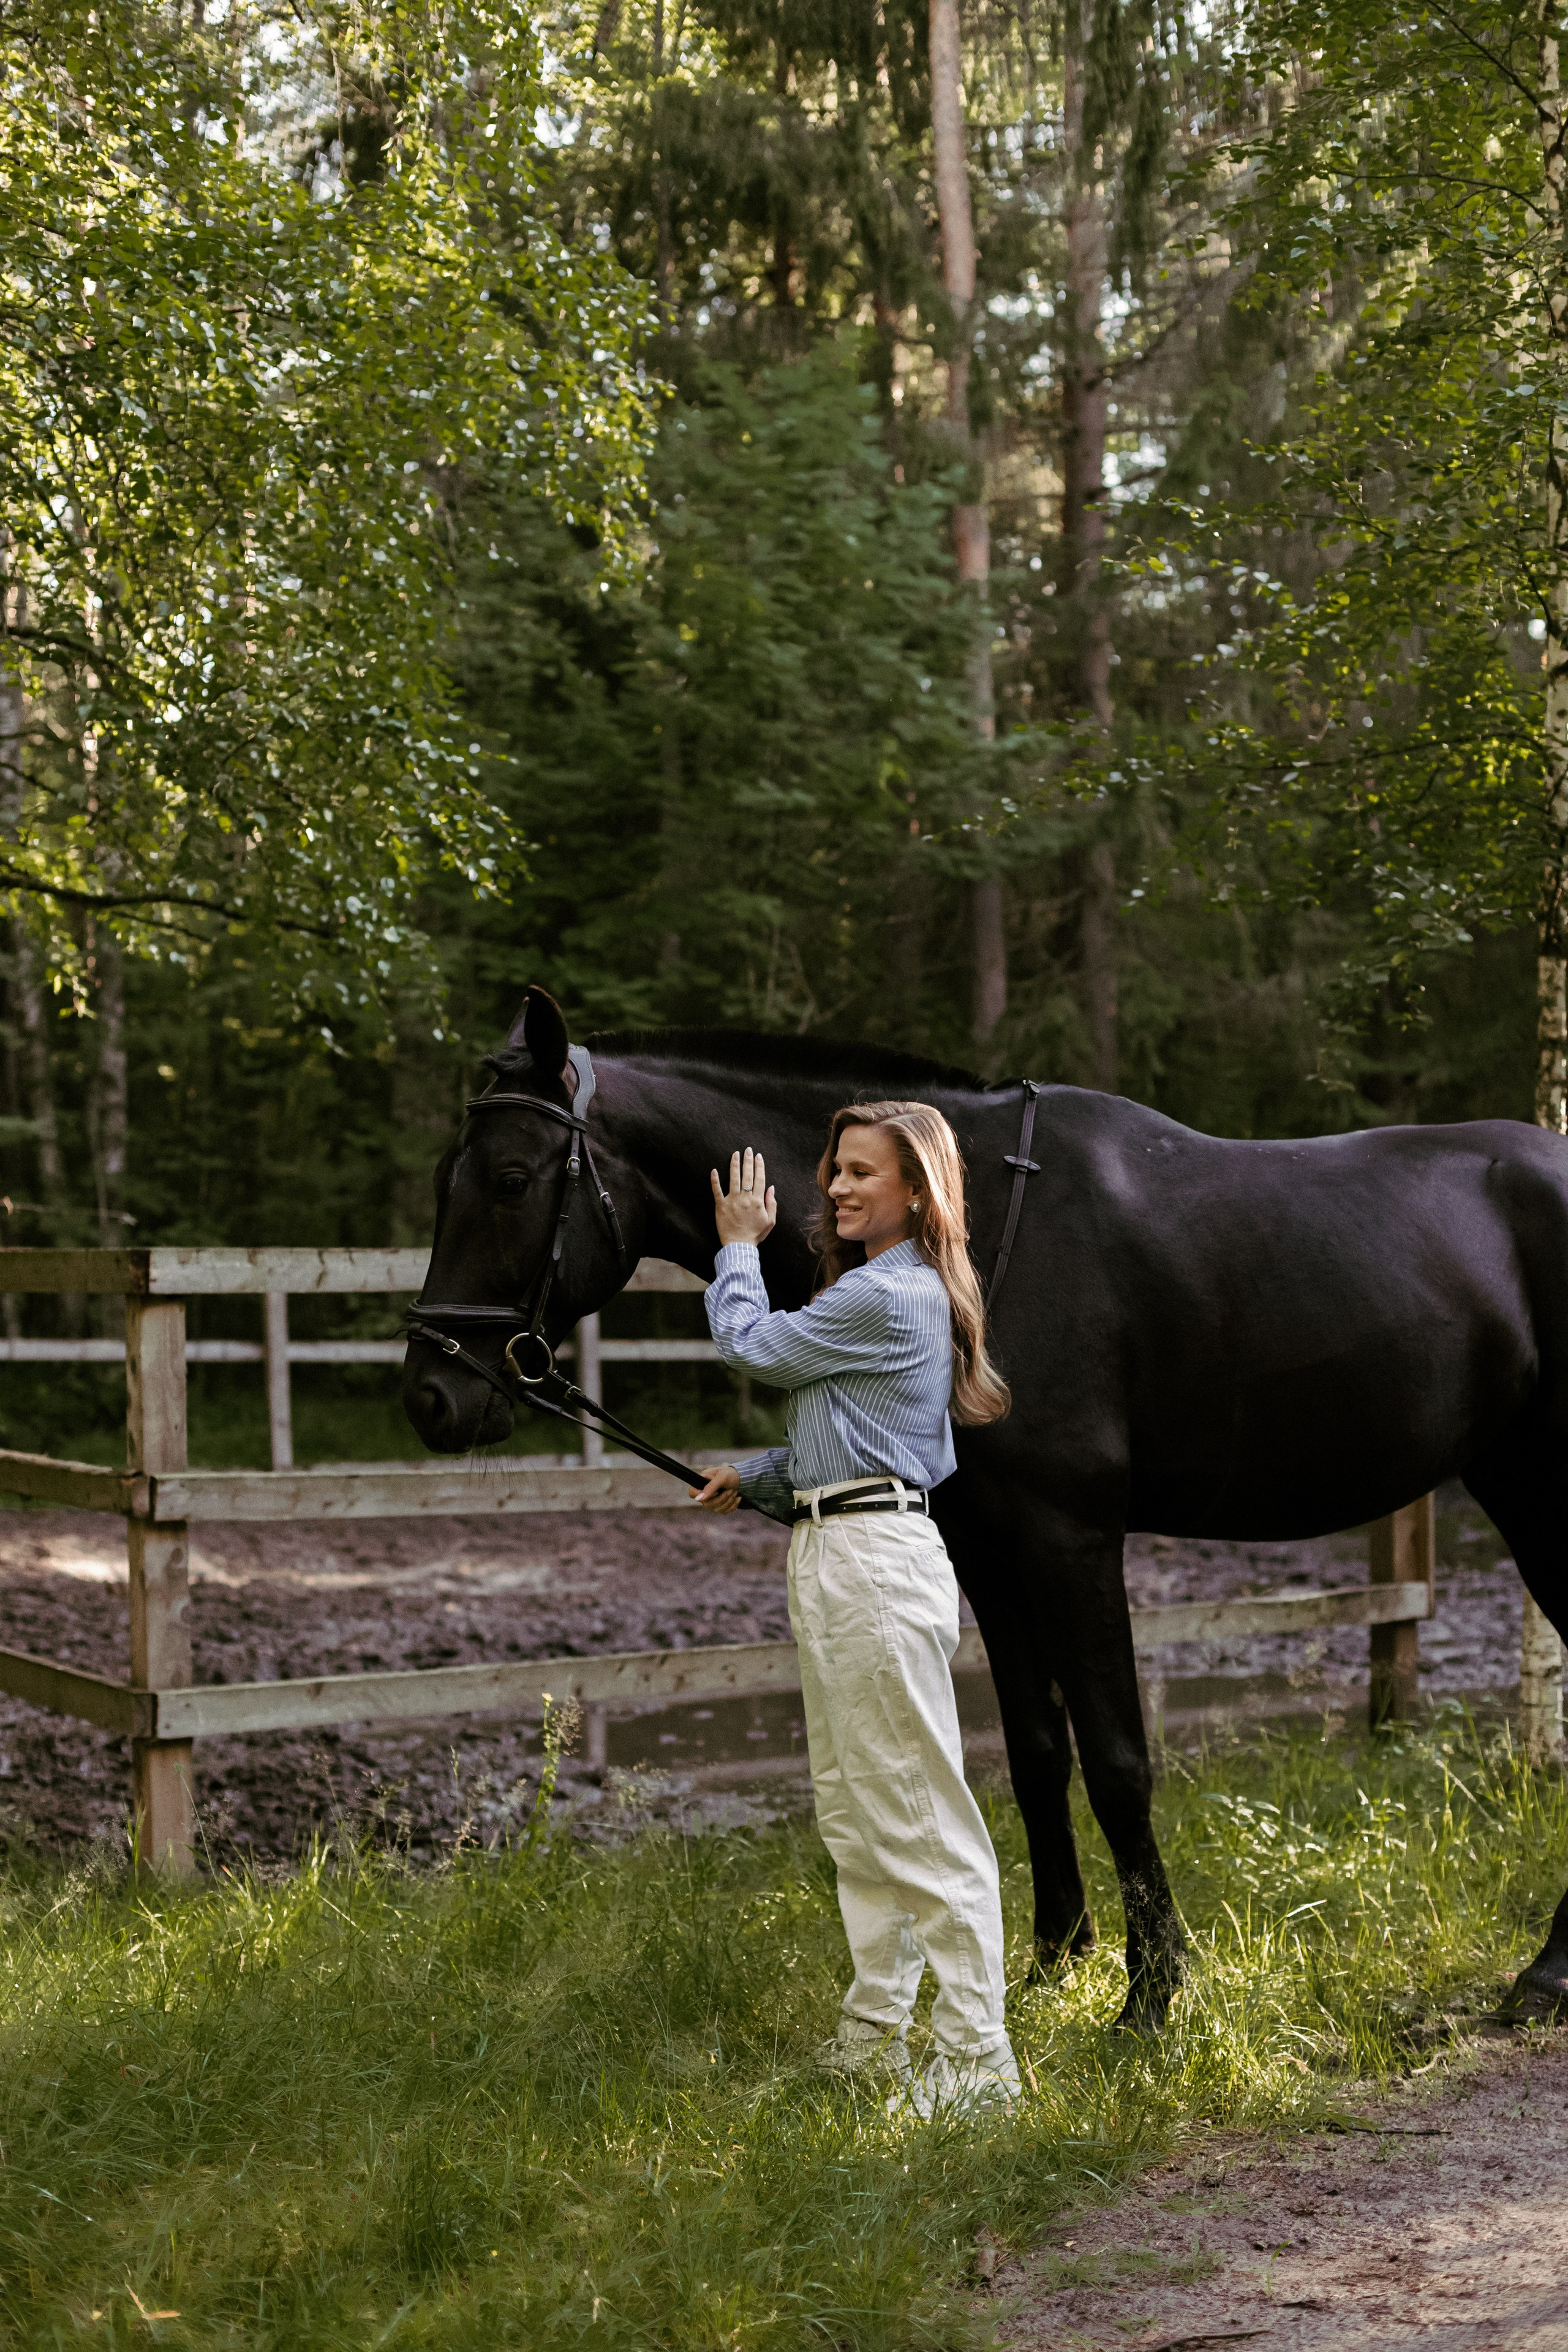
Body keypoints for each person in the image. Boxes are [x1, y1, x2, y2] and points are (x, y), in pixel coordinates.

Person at [690, 1100, 1019, 2117]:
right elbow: (852, 1448)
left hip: (873, 1564)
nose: (836, 1187)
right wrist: (758, 1477)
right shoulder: (878, 1292)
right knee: (856, 1813)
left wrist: (737, 1248)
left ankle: (978, 2068)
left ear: (916, 1193)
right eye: (834, 1169)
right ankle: (876, 2038)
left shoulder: (891, 1294)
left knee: (918, 1816)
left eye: (861, 1173)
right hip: (838, 1550)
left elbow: (751, 1346)